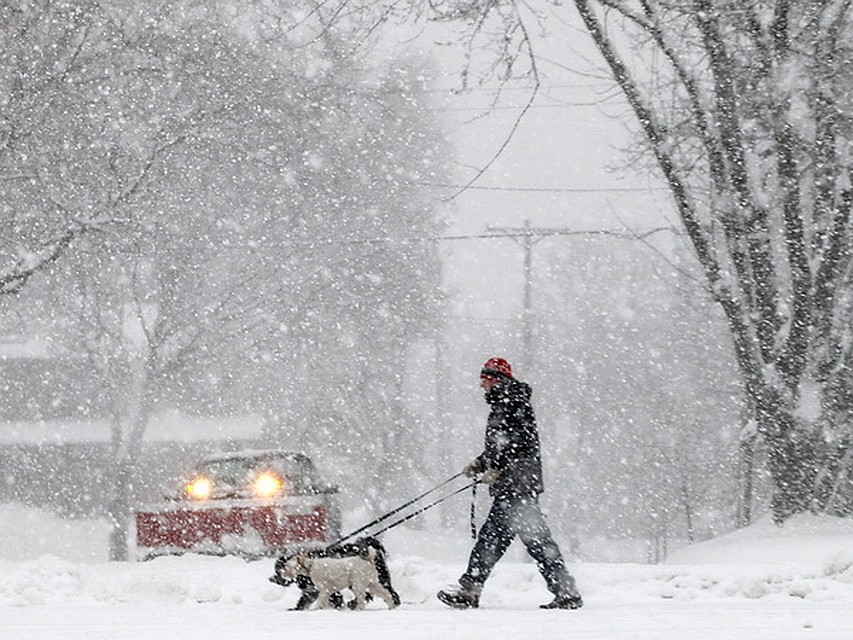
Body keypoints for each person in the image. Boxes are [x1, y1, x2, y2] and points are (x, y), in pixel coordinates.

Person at [437, 357, 583, 610]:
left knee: (503, 540)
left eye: (485, 380)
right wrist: (481, 463)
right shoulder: (504, 402)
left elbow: (518, 444)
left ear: (496, 379)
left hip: (517, 485)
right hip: (515, 484)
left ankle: (470, 589)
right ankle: (565, 590)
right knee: (524, 540)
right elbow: (501, 447)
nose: (482, 386)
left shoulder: (512, 401)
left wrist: (498, 468)